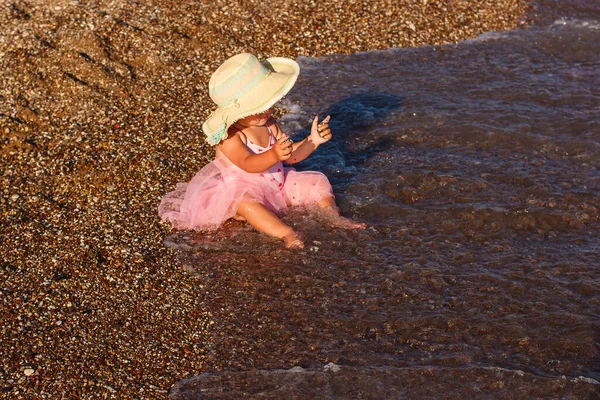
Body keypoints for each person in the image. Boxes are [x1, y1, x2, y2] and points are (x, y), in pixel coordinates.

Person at [158, 53, 364, 249]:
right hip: (244, 188)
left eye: (267, 104)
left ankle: (334, 217)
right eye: (257, 108)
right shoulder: (229, 137)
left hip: (279, 183)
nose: (266, 111)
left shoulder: (269, 124)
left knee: (317, 181)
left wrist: (312, 141)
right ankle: (286, 233)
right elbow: (248, 163)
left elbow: (291, 156)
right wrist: (274, 154)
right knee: (245, 204)